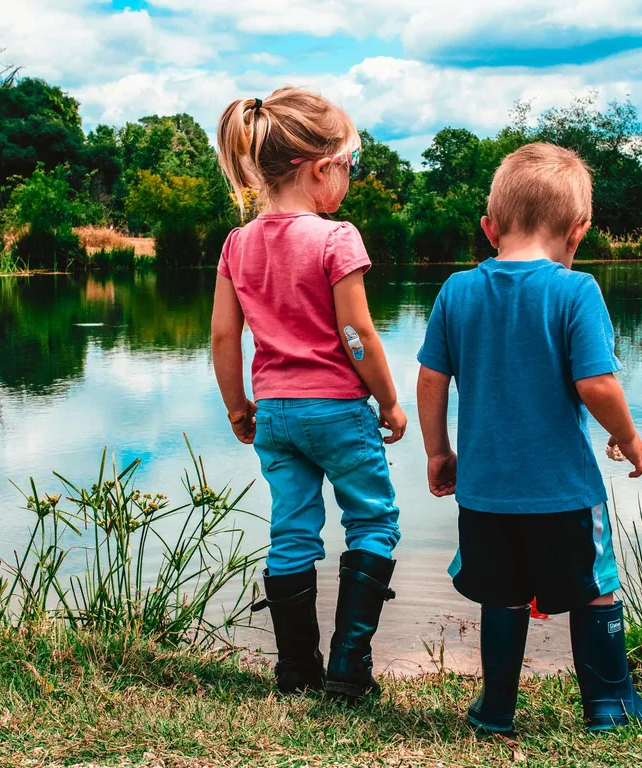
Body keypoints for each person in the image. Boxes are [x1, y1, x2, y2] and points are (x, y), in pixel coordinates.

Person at [416, 142, 642, 733]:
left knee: (502, 596)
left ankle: (496, 709)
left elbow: (431, 379)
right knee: (595, 589)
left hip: (484, 494)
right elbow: (597, 383)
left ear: (489, 228)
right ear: (579, 231)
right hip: (563, 492)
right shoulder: (575, 291)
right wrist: (629, 440)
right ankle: (609, 704)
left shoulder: (456, 290)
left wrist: (438, 451)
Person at [210, 87, 407, 700]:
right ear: (320, 169)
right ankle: (349, 669)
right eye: (349, 165)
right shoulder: (335, 238)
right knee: (372, 521)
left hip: (275, 414)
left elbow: (223, 334)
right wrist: (391, 401)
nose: (348, 178)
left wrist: (237, 407)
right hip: (337, 411)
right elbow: (356, 333)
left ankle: (296, 669)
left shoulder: (238, 243)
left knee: (292, 531)